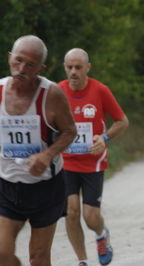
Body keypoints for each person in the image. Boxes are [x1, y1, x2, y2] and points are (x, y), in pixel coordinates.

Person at [0, 35, 76, 266]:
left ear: (40, 68)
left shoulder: (51, 95)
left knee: (39, 258)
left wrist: (47, 154)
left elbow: (69, 132)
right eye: (18, 61)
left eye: (30, 65)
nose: (22, 69)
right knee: (2, 253)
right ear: (10, 58)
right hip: (6, 185)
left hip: (45, 188)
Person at [59, 48, 129, 266]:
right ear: (65, 67)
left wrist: (105, 139)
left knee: (90, 217)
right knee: (71, 212)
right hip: (66, 161)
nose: (73, 72)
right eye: (70, 67)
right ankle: (82, 261)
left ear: (87, 68)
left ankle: (101, 234)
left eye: (78, 67)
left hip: (92, 162)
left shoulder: (100, 90)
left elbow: (122, 121)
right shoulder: (57, 91)